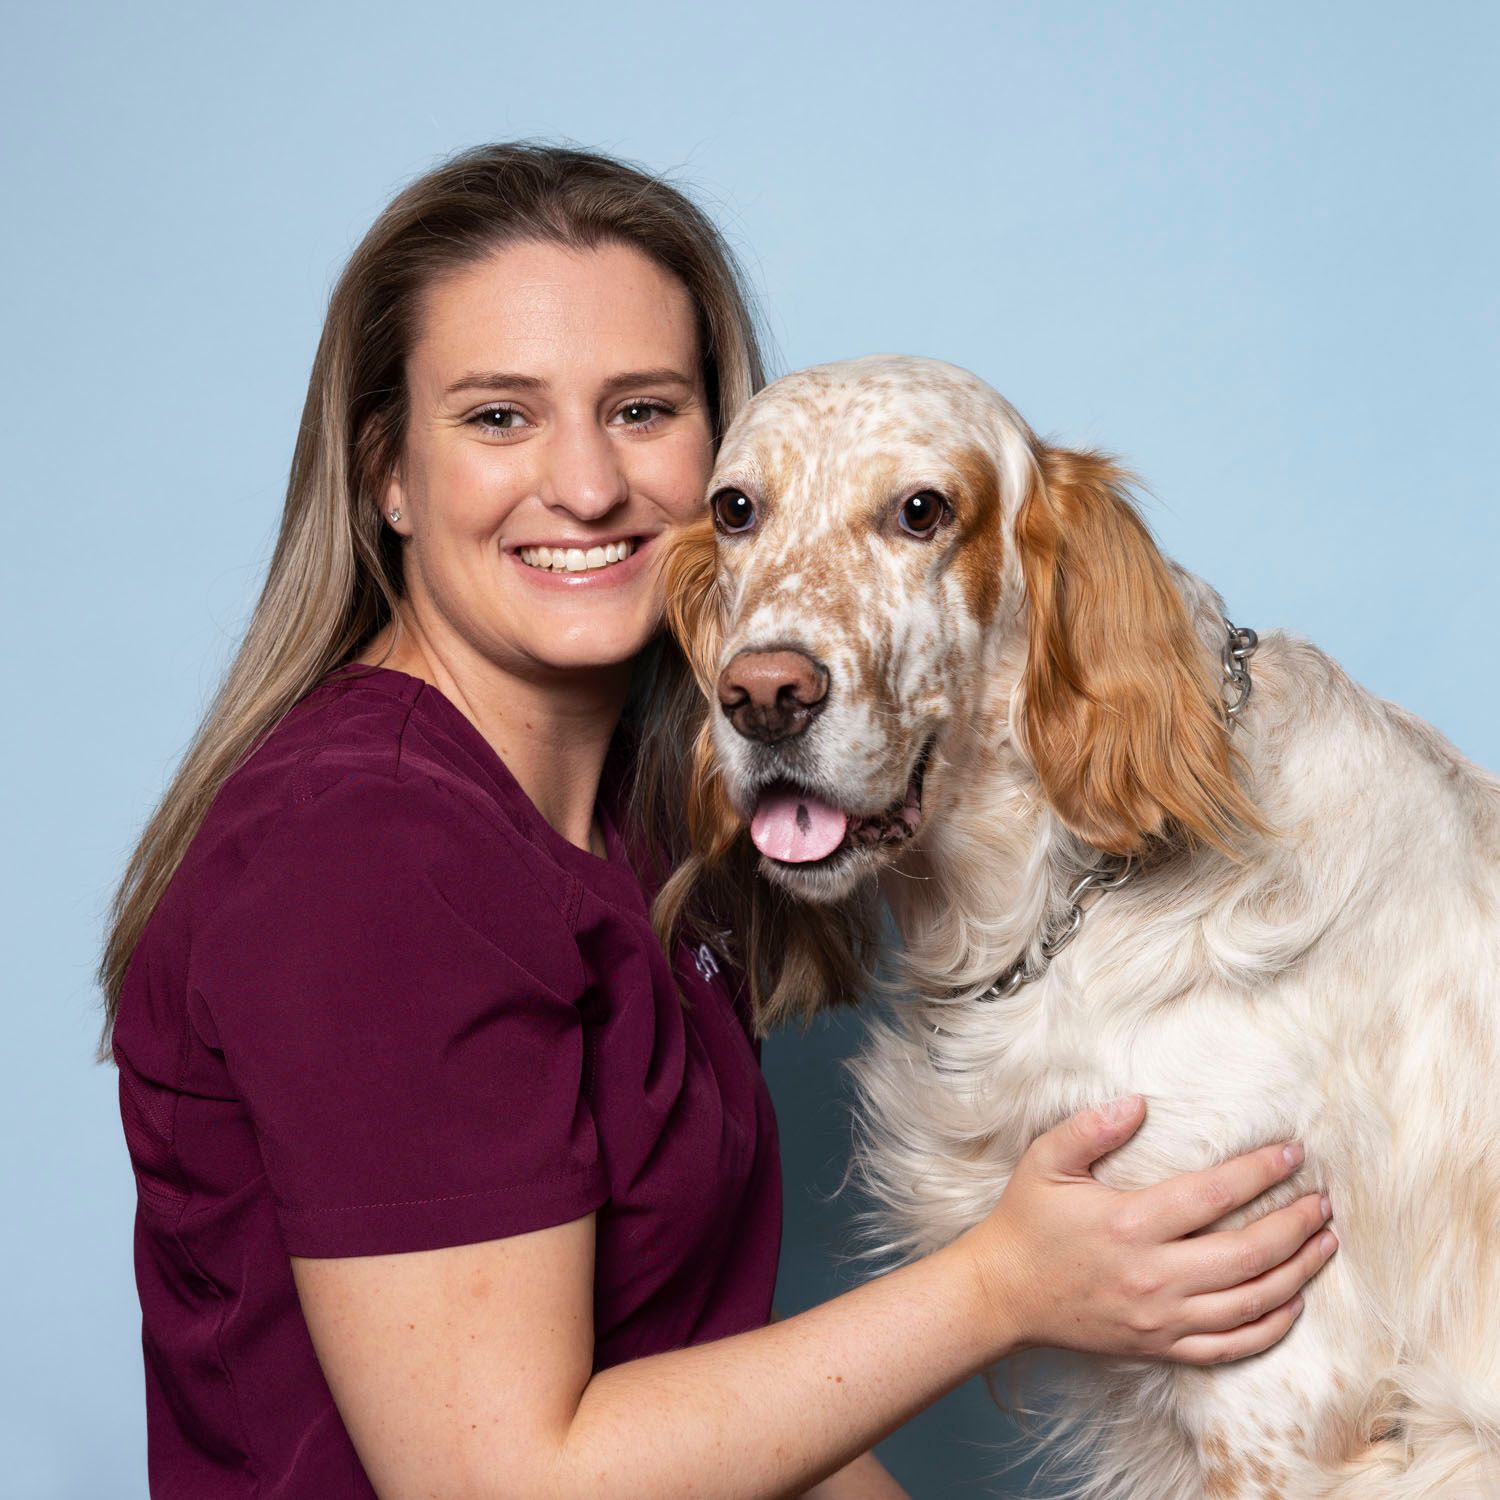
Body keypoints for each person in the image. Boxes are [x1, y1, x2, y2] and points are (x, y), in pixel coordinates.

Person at [100, 142, 1337, 1499]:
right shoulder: (368, 855)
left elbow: (706, 1393)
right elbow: (500, 1483)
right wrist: (1005, 1288)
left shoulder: (646, 832)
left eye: (642, 410)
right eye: (500, 417)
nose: (586, 485)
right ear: (388, 472)